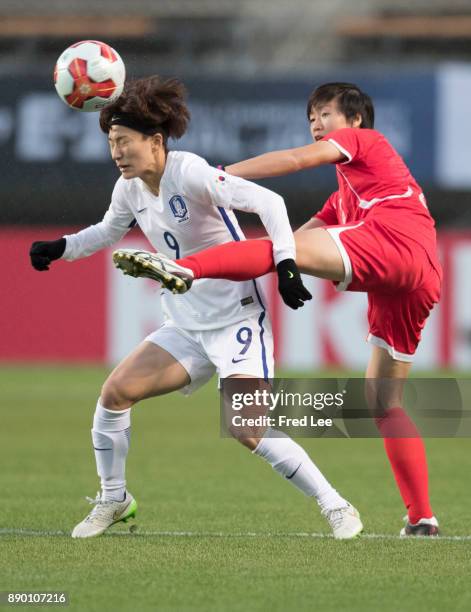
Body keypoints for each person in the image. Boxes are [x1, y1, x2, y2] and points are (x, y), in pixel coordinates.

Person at [29, 76, 362, 539]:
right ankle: (114, 499)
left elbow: (270, 202)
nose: (117, 152)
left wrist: (286, 263)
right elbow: (107, 232)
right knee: (114, 396)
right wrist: (60, 247)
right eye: (111, 143)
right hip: (186, 324)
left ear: (156, 141)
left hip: (237, 318)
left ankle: (336, 505)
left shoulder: (190, 172)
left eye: (124, 141)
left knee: (247, 428)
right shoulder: (128, 189)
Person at [120, 82, 442, 537]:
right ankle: (421, 517)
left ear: (353, 122)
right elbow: (288, 246)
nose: (316, 123)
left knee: (269, 248)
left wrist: (222, 175)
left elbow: (293, 161)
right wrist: (283, 263)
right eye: (311, 116)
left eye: (325, 114)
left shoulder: (366, 140)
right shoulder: (345, 197)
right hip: (419, 278)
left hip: (397, 243)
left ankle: (182, 269)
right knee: (383, 401)